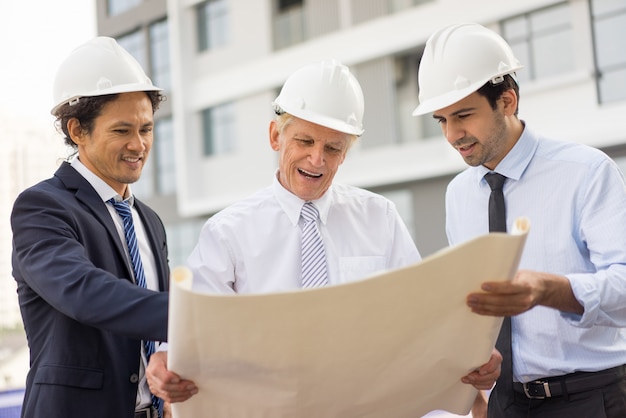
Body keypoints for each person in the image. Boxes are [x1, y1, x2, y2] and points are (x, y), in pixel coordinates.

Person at [146, 59, 501, 414]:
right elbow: (191, 329)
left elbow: (420, 322)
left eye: (333, 148)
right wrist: (166, 357)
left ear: (345, 153)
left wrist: (466, 357)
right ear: (275, 136)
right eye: (304, 141)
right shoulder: (228, 232)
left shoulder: (380, 218)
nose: (317, 159)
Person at [412, 22, 626, 418]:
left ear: (507, 100)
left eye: (463, 115)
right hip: (504, 404)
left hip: (590, 398)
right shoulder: (458, 194)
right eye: (441, 120)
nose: (452, 135)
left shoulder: (586, 172)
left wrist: (550, 289)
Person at [11, 36, 170, 418]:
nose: (139, 145)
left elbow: (152, 327)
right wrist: (196, 315)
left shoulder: (149, 220)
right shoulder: (43, 207)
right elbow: (85, 292)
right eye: (122, 130)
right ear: (77, 130)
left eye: (146, 129)